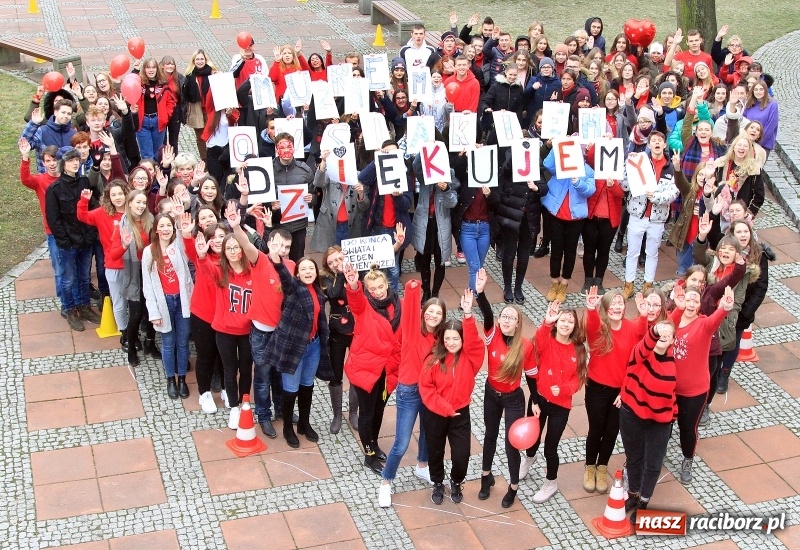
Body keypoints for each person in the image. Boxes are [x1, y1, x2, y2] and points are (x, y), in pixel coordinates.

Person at [378, 279, 446, 507]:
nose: (433, 316)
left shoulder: (441, 339)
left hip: (430, 391)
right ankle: (386, 482)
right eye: (430, 311)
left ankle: (422, 466)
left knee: (428, 432)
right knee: (402, 441)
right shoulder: (411, 330)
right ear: (423, 312)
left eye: (438, 313)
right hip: (409, 391)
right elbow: (409, 310)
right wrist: (413, 288)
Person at [473, 269, 535, 507]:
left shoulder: (525, 346)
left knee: (511, 444)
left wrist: (536, 401)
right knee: (490, 435)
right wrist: (480, 292)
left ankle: (513, 487)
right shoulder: (492, 335)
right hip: (491, 394)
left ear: (518, 323)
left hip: (514, 399)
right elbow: (487, 313)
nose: (506, 320)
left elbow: (531, 376)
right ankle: (485, 478)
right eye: (504, 316)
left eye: (512, 317)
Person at [229, 213, 294, 438]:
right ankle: (264, 416)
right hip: (261, 332)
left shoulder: (292, 266)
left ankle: (280, 410)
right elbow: (246, 244)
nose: (283, 250)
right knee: (263, 376)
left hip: (281, 333)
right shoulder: (260, 260)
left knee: (278, 374)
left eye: (287, 246)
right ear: (269, 244)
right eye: (279, 245)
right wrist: (236, 226)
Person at [419, 289, 485, 505]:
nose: (451, 342)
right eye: (447, 338)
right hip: (436, 413)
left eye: (456, 338)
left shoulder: (470, 357)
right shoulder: (433, 359)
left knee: (461, 455)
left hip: (460, 414)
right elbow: (427, 389)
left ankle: (456, 481)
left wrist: (467, 315)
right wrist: (445, 408)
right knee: (435, 451)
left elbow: (475, 342)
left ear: (462, 339)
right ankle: (437, 482)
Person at [262, 248, 332, 448]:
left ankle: (304, 423)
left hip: (313, 346)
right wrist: (277, 261)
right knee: (290, 389)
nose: (308, 271)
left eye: (312, 268)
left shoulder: (318, 291)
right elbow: (284, 276)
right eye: (304, 269)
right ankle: (287, 428)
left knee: (307, 386)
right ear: (297, 273)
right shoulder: (294, 288)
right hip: (293, 348)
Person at [581, 287, 647, 494]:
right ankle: (589, 467)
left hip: (621, 392)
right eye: (613, 304)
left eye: (620, 303)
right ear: (606, 308)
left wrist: (644, 316)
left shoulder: (631, 328)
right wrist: (591, 309)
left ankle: (602, 468)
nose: (617, 307)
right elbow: (590, 327)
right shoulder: (599, 327)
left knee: (611, 432)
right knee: (596, 430)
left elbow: (638, 358)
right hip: (597, 388)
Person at [522, 301, 587, 503]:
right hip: (539, 399)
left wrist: (565, 389)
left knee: (551, 446)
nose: (566, 324)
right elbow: (538, 342)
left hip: (561, 406)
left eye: (570, 321)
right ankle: (529, 458)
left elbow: (578, 379)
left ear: (575, 326)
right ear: (557, 323)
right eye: (563, 320)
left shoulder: (578, 350)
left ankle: (551, 482)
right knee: (532, 437)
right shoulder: (546, 340)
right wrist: (546, 322)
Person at [669, 284, 735, 484]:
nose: (690, 304)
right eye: (688, 299)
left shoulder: (704, 324)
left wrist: (725, 306)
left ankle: (687, 460)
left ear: (700, 305)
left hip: (693, 391)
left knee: (687, 428)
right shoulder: (672, 320)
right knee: (664, 424)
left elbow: (718, 317)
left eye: (695, 301)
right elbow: (662, 329)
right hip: (668, 387)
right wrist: (677, 308)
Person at [343, 259, 403, 475]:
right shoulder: (364, 306)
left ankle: (374, 444)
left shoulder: (398, 303)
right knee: (367, 413)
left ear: (387, 284)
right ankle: (368, 454)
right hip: (366, 369)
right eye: (372, 289)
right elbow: (356, 299)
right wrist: (353, 285)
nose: (377, 292)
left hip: (388, 369)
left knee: (379, 410)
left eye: (380, 287)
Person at [618, 320, 677, 524]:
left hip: (659, 422)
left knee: (652, 464)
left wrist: (673, 418)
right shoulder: (640, 353)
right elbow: (646, 343)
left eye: (668, 335)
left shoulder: (673, 364)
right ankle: (633, 494)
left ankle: (643, 501)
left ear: (672, 341)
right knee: (633, 458)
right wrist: (656, 330)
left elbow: (674, 394)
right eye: (661, 334)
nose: (663, 337)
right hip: (632, 413)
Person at [45, 147, 102, 331]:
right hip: (68, 242)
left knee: (84, 277)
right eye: (70, 160)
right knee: (68, 279)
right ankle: (70, 309)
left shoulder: (84, 181)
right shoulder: (54, 189)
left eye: (77, 159)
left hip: (85, 240)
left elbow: (92, 208)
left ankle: (84, 306)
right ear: (63, 165)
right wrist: (65, 241)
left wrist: (91, 235)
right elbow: (54, 219)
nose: (75, 163)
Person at [142, 213, 193, 399]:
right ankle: (170, 378)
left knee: (183, 341)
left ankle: (182, 379)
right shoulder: (150, 252)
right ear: (156, 229)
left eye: (168, 226)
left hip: (182, 301)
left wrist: (180, 221)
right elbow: (147, 285)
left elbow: (184, 240)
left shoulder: (177, 247)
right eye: (161, 226)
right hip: (164, 302)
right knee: (168, 342)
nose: (165, 229)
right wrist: (153, 311)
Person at [620, 139, 679, 300]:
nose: (657, 143)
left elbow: (674, 192)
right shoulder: (638, 161)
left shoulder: (670, 167)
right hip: (637, 214)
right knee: (632, 252)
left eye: (660, 140)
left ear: (665, 145)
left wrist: (657, 197)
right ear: (649, 145)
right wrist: (626, 166)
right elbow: (625, 185)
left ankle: (648, 285)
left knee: (652, 253)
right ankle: (628, 284)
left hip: (657, 218)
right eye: (653, 141)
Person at [183, 221, 227, 413]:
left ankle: (227, 389)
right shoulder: (201, 256)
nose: (218, 240)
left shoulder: (234, 258)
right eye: (214, 237)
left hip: (227, 317)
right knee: (205, 357)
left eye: (222, 236)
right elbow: (190, 248)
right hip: (203, 316)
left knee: (226, 357)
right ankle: (205, 393)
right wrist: (186, 234)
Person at [541, 148, 595, 302]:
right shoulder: (560, 166)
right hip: (556, 214)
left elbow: (590, 190)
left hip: (575, 218)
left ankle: (564, 285)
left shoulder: (588, 171)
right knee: (556, 250)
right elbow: (547, 165)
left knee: (570, 252)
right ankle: (554, 283)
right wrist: (555, 147)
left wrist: (578, 182)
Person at [77, 180, 128, 344]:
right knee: (119, 301)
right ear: (108, 197)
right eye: (114, 195)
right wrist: (84, 201)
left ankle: (134, 328)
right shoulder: (101, 213)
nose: (118, 197)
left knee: (135, 301)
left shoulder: (134, 211)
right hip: (114, 265)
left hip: (134, 264)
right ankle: (124, 332)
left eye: (120, 193)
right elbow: (82, 216)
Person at [19, 141, 62, 311]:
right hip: (52, 232)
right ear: (43, 163)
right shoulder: (40, 181)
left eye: (55, 160)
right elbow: (25, 179)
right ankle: (64, 301)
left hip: (71, 230)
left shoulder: (67, 178)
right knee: (59, 268)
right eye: (48, 161)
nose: (52, 164)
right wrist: (25, 157)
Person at [411, 153, 459, 302]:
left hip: (440, 224)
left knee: (440, 260)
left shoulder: (449, 174)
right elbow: (415, 166)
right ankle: (426, 291)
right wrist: (422, 151)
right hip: (425, 222)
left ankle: (435, 292)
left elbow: (452, 203)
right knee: (424, 259)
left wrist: (446, 190)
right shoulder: (425, 174)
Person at [319, 247, 354, 434]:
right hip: (337, 333)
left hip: (356, 331)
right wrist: (341, 273)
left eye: (337, 259)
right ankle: (337, 415)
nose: (334, 264)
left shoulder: (356, 271)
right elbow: (333, 294)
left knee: (356, 373)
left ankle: (354, 412)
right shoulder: (324, 278)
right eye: (331, 262)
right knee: (336, 374)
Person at [271, 133, 315, 261]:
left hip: (298, 226)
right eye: (282, 147)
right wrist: (271, 205)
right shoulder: (268, 170)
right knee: (276, 261)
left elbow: (314, 197)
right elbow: (261, 198)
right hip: (277, 224)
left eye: (288, 147)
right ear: (276, 149)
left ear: (294, 148)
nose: (286, 150)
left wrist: (311, 198)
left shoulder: (305, 170)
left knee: (298, 260)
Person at [134, 58, 176, 160]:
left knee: (158, 153)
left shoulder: (163, 84)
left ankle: (158, 174)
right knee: (147, 154)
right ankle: (148, 174)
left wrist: (166, 116)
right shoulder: (139, 82)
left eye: (153, 67)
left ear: (157, 69)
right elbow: (130, 84)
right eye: (148, 67)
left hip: (158, 121)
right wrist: (135, 70)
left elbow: (171, 101)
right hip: (142, 121)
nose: (151, 70)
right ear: (144, 69)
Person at [21, 101, 77, 173]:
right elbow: (24, 144)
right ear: (55, 112)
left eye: (69, 114)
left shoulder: (74, 134)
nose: (66, 116)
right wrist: (33, 123)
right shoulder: (42, 131)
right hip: (46, 180)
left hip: (68, 180)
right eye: (63, 112)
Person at [183, 50, 217, 161]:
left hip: (210, 109)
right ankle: (205, 160)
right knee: (200, 137)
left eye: (202, 59)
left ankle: (213, 159)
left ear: (206, 60)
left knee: (213, 134)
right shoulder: (189, 75)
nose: (200, 61)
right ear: (193, 61)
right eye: (197, 59)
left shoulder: (213, 73)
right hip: (197, 110)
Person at [742, 81, 778, 157]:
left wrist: (757, 144)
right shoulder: (750, 104)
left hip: (763, 145)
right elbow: (744, 122)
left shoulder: (772, 105)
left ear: (765, 90)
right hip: (748, 143)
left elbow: (770, 127)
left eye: (761, 89)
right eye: (756, 89)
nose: (758, 92)